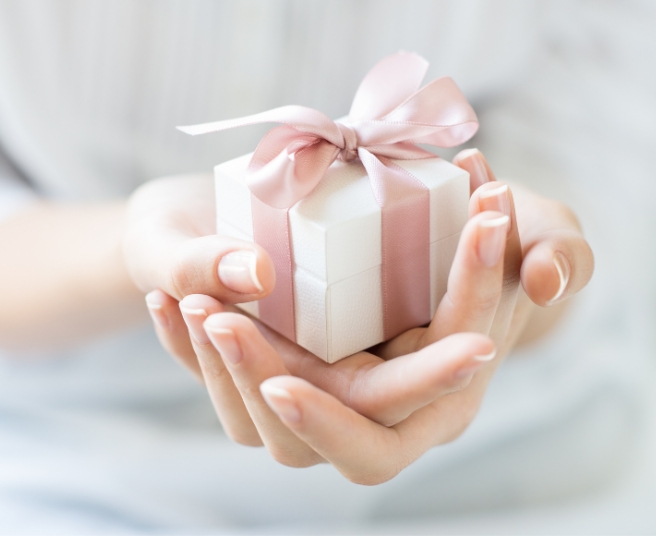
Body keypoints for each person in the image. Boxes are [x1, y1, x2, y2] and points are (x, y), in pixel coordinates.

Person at [0, 1, 652, 533]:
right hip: (82, 452)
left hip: (526, 443)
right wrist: (129, 249)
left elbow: (598, 152)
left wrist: (514, 281)